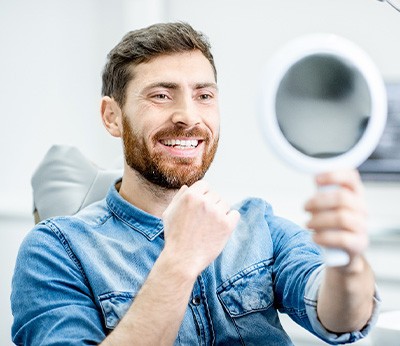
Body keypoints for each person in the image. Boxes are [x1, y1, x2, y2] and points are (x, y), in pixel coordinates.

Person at [11, 22, 380, 345]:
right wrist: (180, 260)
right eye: (161, 95)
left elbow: (341, 319)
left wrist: (347, 263)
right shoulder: (55, 250)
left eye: (204, 96)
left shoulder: (258, 225)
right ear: (112, 117)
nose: (189, 117)